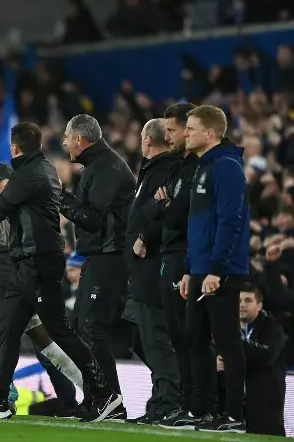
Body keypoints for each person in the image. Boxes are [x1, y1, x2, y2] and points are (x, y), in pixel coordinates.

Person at [0, 122, 122, 422]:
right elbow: (11, 208)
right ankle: (0, 399)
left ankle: (104, 393)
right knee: (12, 330)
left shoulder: (27, 174)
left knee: (54, 332)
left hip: (36, 262)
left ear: (14, 148)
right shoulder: (45, 169)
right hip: (36, 261)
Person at [0, 162, 83, 409]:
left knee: (43, 341)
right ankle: (5, 390)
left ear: (11, 184)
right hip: (1, 283)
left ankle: (89, 390)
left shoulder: (14, 207)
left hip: (16, 281)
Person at [178, 104, 250, 433]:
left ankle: (234, 413)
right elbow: (199, 226)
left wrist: (216, 270)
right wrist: (191, 269)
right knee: (193, 337)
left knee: (226, 342)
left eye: (191, 128)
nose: (185, 133)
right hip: (201, 270)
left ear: (209, 133)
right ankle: (200, 411)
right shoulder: (203, 167)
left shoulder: (227, 167)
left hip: (220, 272)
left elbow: (229, 222)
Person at [59, 113, 135, 417]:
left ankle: (110, 399)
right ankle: (96, 397)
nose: (63, 142)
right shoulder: (99, 165)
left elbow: (93, 218)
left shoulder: (106, 167)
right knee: (81, 326)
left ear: (79, 139)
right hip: (101, 256)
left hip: (111, 257)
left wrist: (59, 197)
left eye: (66, 137)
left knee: (91, 327)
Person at [148, 103, 217, 430]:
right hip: (173, 256)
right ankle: (190, 406)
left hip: (187, 259)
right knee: (180, 336)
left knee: (193, 337)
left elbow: (176, 216)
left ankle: (201, 408)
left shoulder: (199, 169)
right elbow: (163, 214)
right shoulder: (180, 167)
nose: (170, 136)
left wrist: (166, 206)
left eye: (174, 130)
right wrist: (165, 207)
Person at [123, 119, 181, 424]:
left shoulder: (163, 170)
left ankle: (169, 400)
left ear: (146, 139)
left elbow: (164, 212)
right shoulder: (153, 170)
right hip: (142, 270)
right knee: (141, 338)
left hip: (152, 267)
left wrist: (145, 235)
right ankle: (163, 398)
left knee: (154, 338)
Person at [217, 284, 286, 436]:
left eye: (248, 300)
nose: (242, 304)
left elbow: (266, 356)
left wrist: (235, 347)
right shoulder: (227, 327)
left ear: (259, 305)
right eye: (239, 300)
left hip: (265, 404)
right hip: (231, 403)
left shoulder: (272, 328)